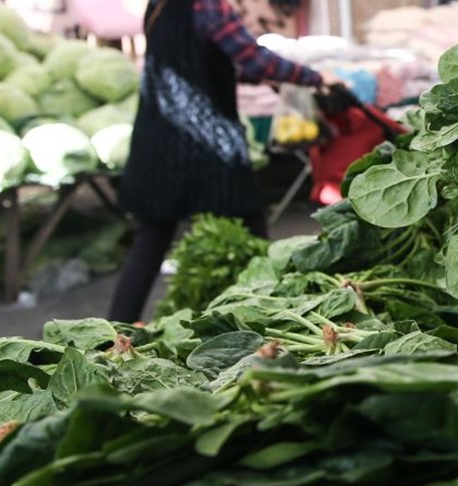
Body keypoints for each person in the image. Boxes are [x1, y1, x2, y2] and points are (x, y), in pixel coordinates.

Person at [108, 0, 337, 322]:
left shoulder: (159, 5)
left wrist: (262, 79)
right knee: (250, 224)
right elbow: (252, 58)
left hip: (159, 136)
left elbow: (205, 58)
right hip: (202, 139)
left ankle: (112, 330)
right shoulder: (207, 5)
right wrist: (314, 77)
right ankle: (273, 311)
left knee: (153, 234)